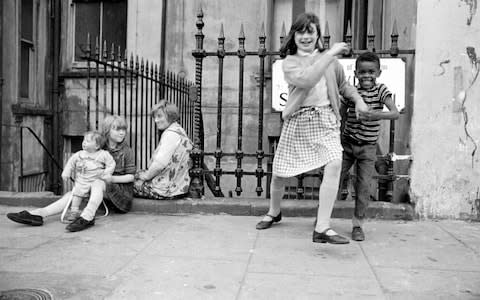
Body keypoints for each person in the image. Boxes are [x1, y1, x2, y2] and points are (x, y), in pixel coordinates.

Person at [255, 12, 369, 244]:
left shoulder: (329, 61)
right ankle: (274, 211)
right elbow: (307, 79)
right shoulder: (290, 62)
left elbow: (344, 86)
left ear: (317, 35)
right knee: (280, 172)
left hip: (325, 120)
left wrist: (358, 100)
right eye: (301, 32)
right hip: (298, 120)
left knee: (335, 163)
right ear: (294, 36)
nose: (306, 36)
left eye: (311, 32)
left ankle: (322, 227)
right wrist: (331, 53)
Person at [7, 115, 136, 232]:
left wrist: (110, 178)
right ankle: (38, 214)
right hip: (99, 191)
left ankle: (87, 217)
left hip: (120, 195)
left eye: (124, 129)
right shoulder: (97, 147)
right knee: (73, 192)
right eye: (117, 129)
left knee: (98, 181)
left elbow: (131, 177)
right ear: (107, 130)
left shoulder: (127, 151)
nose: (122, 132)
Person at [339, 51, 399, 241]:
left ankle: (358, 225)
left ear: (378, 73)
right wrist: (338, 136)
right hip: (347, 144)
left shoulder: (381, 90)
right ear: (355, 73)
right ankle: (321, 219)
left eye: (371, 72)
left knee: (363, 185)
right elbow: (341, 115)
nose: (367, 76)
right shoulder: (352, 93)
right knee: (332, 179)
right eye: (363, 72)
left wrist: (375, 115)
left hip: (368, 147)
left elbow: (395, 113)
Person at [134, 100, 192, 200]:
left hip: (164, 190)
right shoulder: (179, 130)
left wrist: (145, 177)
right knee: (136, 174)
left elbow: (159, 165)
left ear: (170, 116)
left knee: (125, 184)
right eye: (155, 117)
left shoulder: (170, 135)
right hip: (179, 187)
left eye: (159, 116)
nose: (156, 120)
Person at [61, 131, 116, 221]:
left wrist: (107, 173)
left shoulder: (103, 154)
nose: (84, 142)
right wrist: (66, 172)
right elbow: (70, 163)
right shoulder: (79, 154)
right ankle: (74, 211)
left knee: (96, 191)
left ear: (97, 146)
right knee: (77, 193)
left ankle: (91, 210)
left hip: (96, 180)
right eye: (84, 140)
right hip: (82, 180)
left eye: (88, 141)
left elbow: (111, 164)